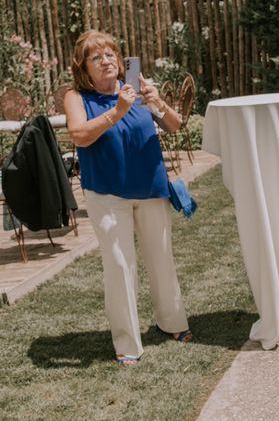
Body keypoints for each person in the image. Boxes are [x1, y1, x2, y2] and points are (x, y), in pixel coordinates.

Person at [64, 30, 192, 366]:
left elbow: (175, 125)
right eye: (96, 57)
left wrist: (156, 101)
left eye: (110, 55)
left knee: (161, 258)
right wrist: (118, 110)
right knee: (120, 266)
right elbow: (79, 135)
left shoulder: (136, 87)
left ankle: (172, 322)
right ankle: (127, 342)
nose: (106, 61)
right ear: (85, 68)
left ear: (121, 62)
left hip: (151, 188)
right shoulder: (77, 97)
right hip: (107, 193)